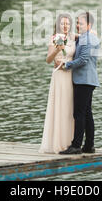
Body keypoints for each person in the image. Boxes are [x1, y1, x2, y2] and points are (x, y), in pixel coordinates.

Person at [57, 12, 100, 154]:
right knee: (87, 113)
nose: (77, 25)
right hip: (88, 80)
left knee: (79, 113)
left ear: (88, 25)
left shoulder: (87, 39)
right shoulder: (88, 37)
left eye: (80, 23)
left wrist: (66, 65)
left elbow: (83, 60)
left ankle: (76, 146)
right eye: (77, 23)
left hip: (84, 80)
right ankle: (89, 146)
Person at [38, 14, 76, 154]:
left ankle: (69, 142)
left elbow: (87, 34)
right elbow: (48, 60)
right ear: (58, 25)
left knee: (69, 108)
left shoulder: (72, 37)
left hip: (70, 76)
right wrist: (57, 50)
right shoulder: (54, 38)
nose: (65, 26)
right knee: (59, 106)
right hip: (59, 76)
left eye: (67, 23)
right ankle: (56, 143)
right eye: (62, 24)